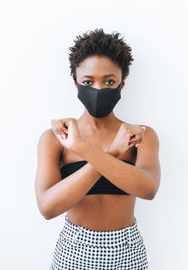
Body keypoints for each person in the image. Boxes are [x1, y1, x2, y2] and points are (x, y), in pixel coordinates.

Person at [35, 28, 161, 269]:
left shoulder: (140, 135)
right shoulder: (56, 139)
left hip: (127, 250)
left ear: (122, 83)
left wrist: (83, 149)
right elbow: (48, 208)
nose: (99, 90)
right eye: (88, 82)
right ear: (75, 83)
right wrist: (110, 153)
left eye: (109, 81)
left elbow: (148, 189)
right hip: (74, 250)